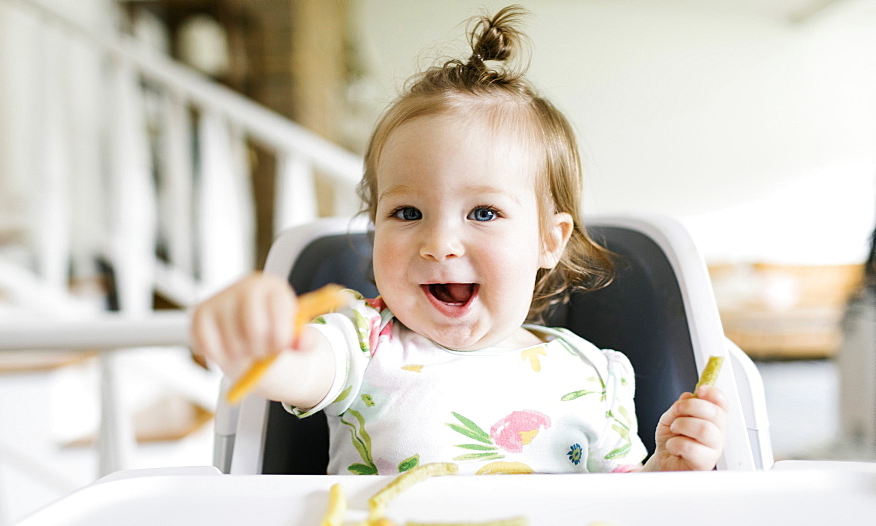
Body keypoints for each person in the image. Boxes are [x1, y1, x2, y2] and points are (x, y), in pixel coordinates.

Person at [191, 5, 727, 475]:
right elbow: (294, 367)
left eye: (484, 212)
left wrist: (669, 467)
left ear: (548, 240)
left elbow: (627, 505)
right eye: (407, 212)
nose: (439, 242)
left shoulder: (592, 374)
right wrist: (252, 336)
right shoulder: (361, 342)